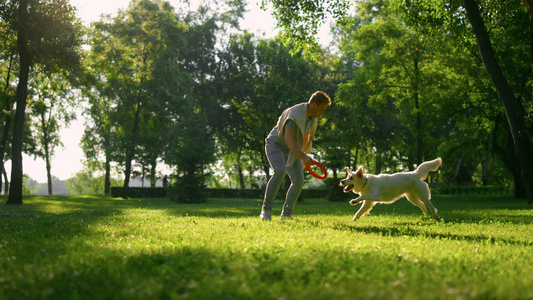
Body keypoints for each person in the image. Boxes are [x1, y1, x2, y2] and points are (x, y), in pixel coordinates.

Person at [260, 91, 332, 221]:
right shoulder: (294, 114)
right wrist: (304, 157)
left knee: (299, 180)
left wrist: (304, 156)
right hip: (275, 145)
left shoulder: (312, 117)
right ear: (314, 105)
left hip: (292, 149)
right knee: (280, 172)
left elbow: (305, 137)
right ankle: (266, 210)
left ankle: (286, 214)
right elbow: (290, 141)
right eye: (322, 109)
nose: (323, 113)